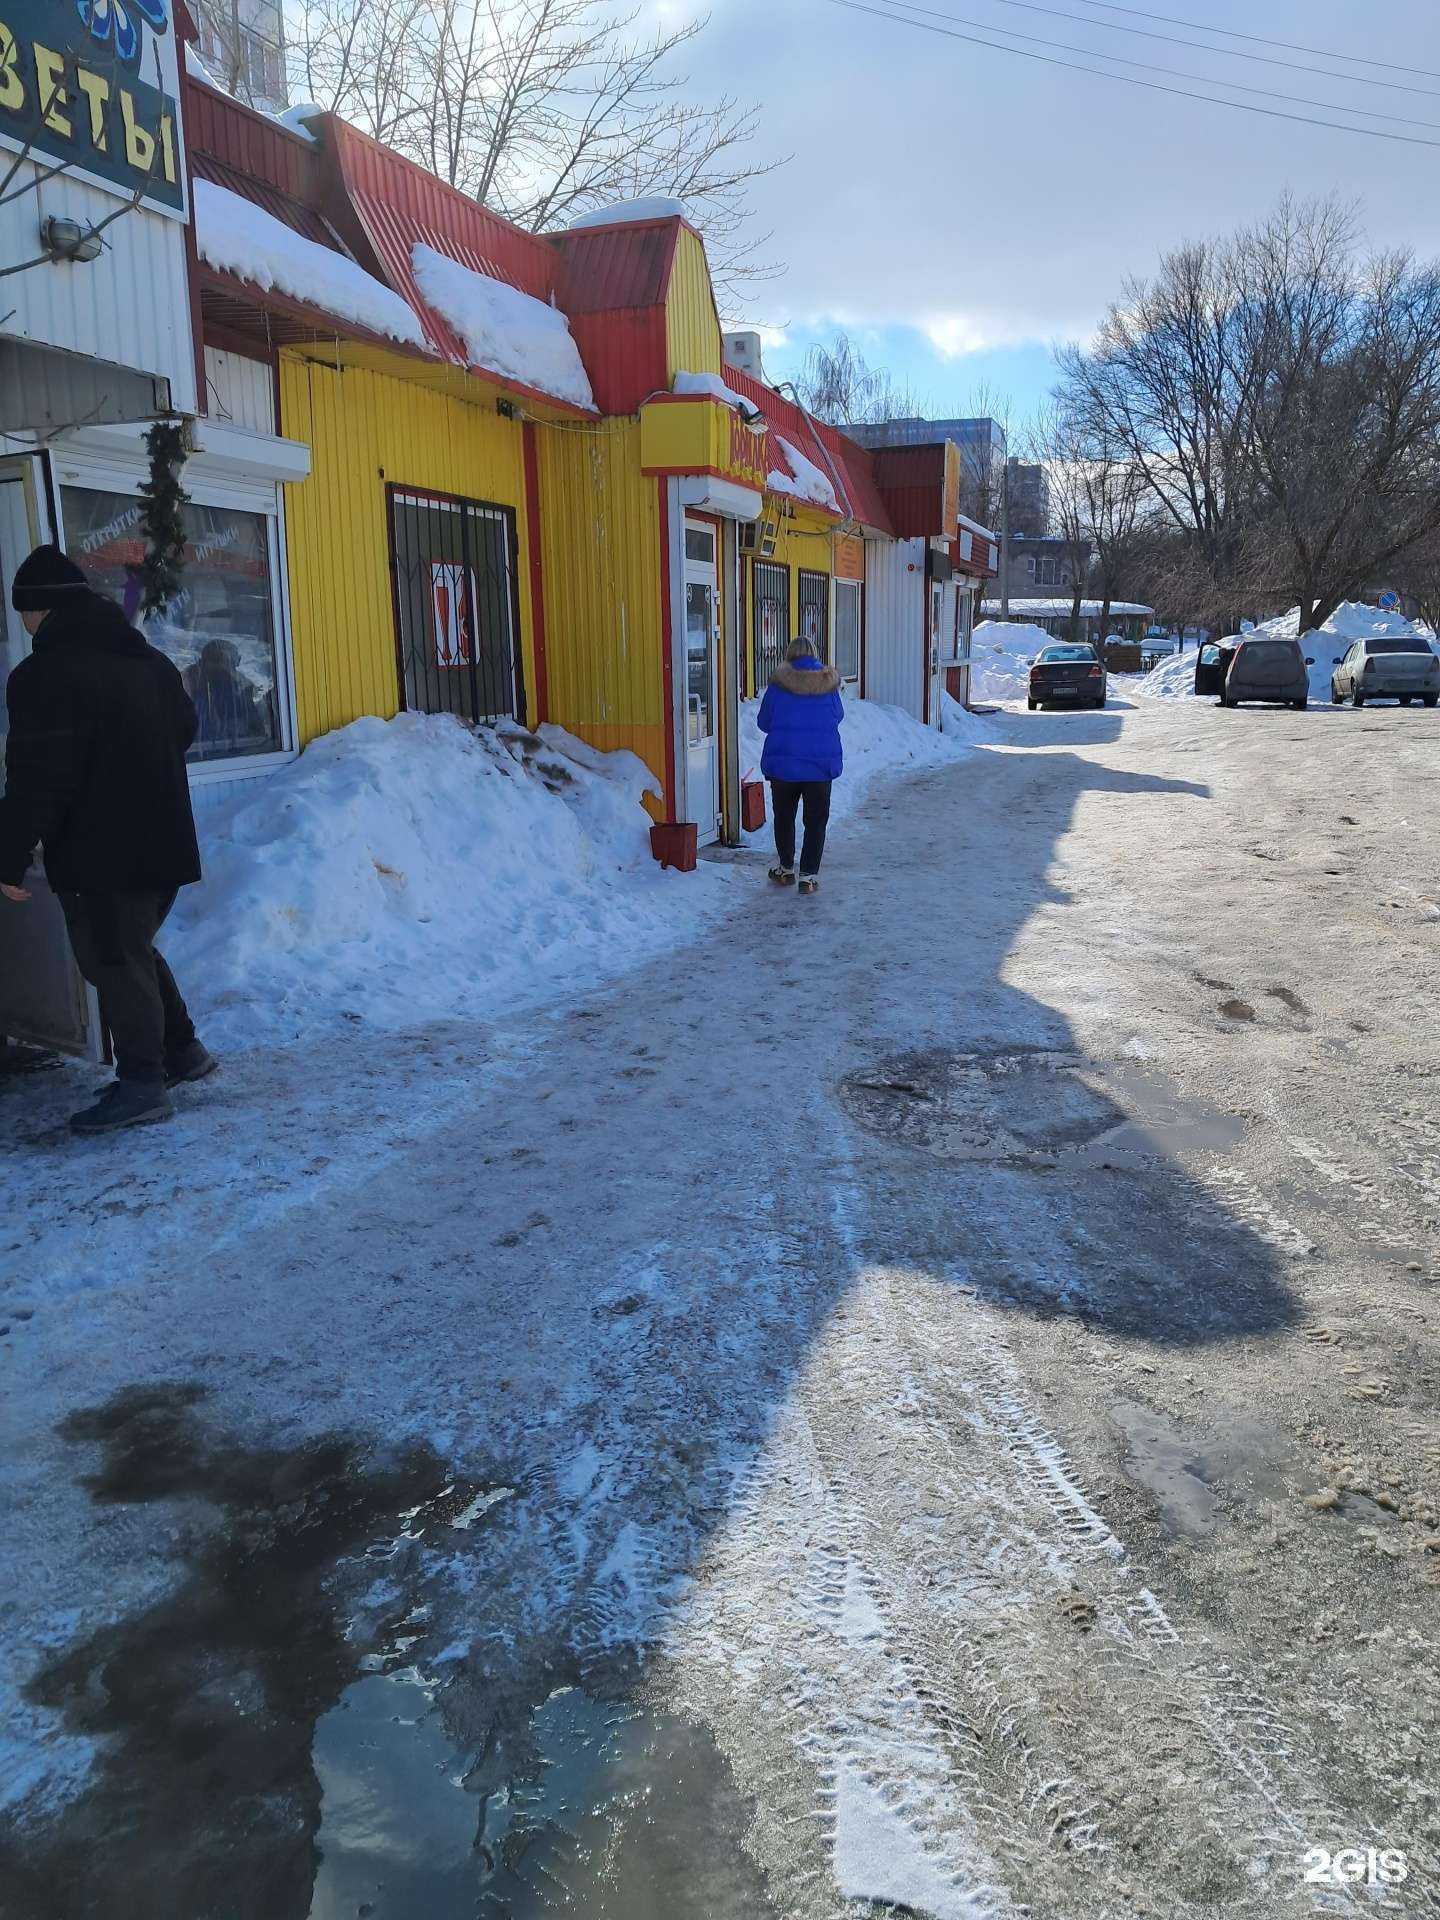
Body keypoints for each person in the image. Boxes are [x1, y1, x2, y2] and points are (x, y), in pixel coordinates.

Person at [0, 545, 215, 1134]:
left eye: (23, 612)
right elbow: (185, 728)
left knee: (115, 959)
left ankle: (143, 1084)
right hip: (163, 840)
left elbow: (38, 776)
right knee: (133, 949)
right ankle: (183, 1052)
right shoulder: (147, 663)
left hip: (102, 850)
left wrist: (9, 856)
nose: (21, 623)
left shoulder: (44, 676)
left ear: (40, 610)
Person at [756, 634, 844, 896]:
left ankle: (785, 869)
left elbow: (764, 722)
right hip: (819, 765)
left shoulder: (778, 683)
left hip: (783, 765)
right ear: (814, 654)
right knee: (816, 820)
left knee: (784, 817)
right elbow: (838, 716)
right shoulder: (828, 683)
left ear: (789, 654)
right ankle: (809, 876)